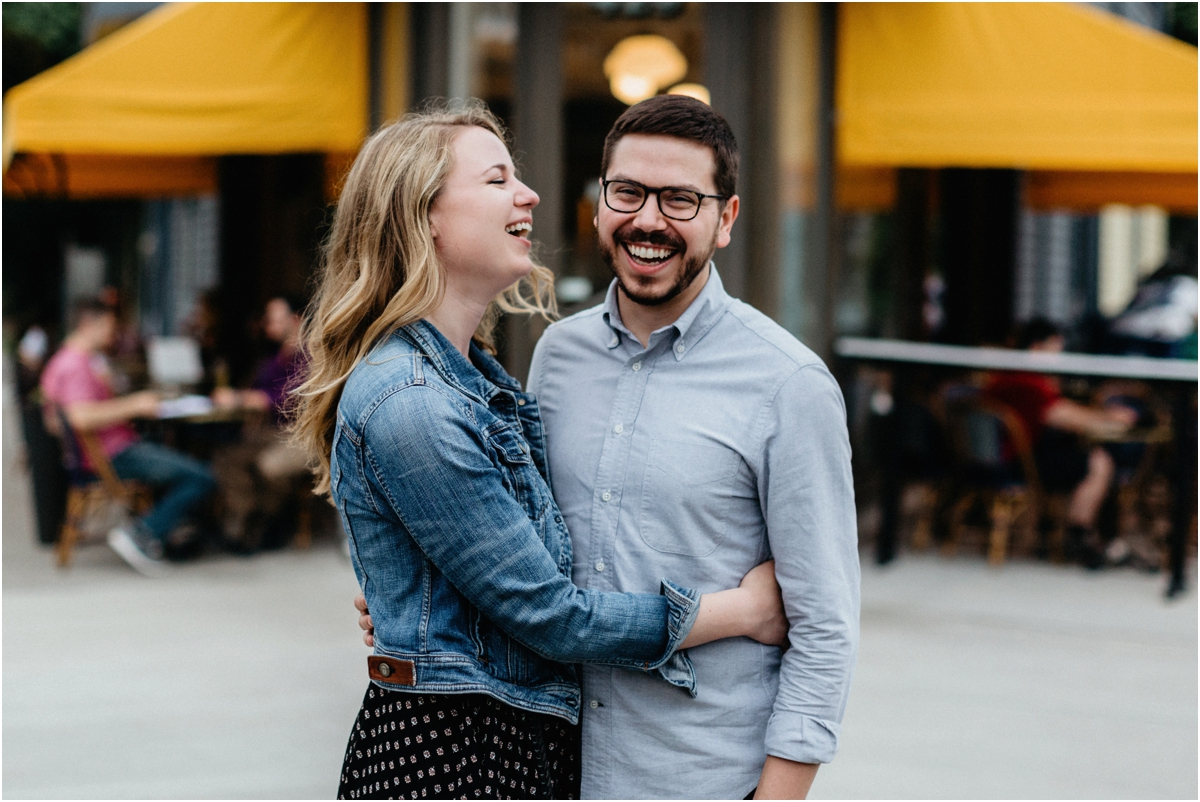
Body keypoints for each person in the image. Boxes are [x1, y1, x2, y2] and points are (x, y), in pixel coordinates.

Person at [360, 95, 861, 799]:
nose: (648, 220)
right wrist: (421, 599)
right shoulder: (556, 357)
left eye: (681, 199)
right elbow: (526, 562)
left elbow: (824, 626)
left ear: (727, 220)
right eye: (627, 192)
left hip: (701, 778)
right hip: (553, 769)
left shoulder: (789, 385)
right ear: (598, 205)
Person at [40, 298, 217, 575]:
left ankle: (162, 531)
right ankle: (143, 532)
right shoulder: (75, 366)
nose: (113, 335)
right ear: (89, 325)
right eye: (109, 327)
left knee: (173, 458)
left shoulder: (65, 361)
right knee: (202, 476)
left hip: (100, 452)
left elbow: (53, 421)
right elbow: (80, 417)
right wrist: (133, 404)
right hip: (112, 454)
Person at [984, 318, 1137, 567]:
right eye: (1055, 350)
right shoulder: (1029, 382)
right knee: (1099, 461)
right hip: (1018, 463)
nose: (1059, 358)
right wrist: (1110, 418)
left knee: (1084, 455)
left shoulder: (1004, 375)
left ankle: (1088, 535)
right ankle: (1079, 534)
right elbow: (1065, 417)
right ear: (1037, 348)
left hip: (993, 457)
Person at [211, 295, 310, 549]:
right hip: (272, 431)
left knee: (268, 465)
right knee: (228, 457)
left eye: (275, 319)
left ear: (295, 320)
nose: (269, 325)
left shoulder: (313, 354)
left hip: (304, 435)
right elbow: (255, 391)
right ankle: (245, 518)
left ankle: (271, 523)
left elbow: (293, 398)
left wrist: (248, 399)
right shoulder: (275, 359)